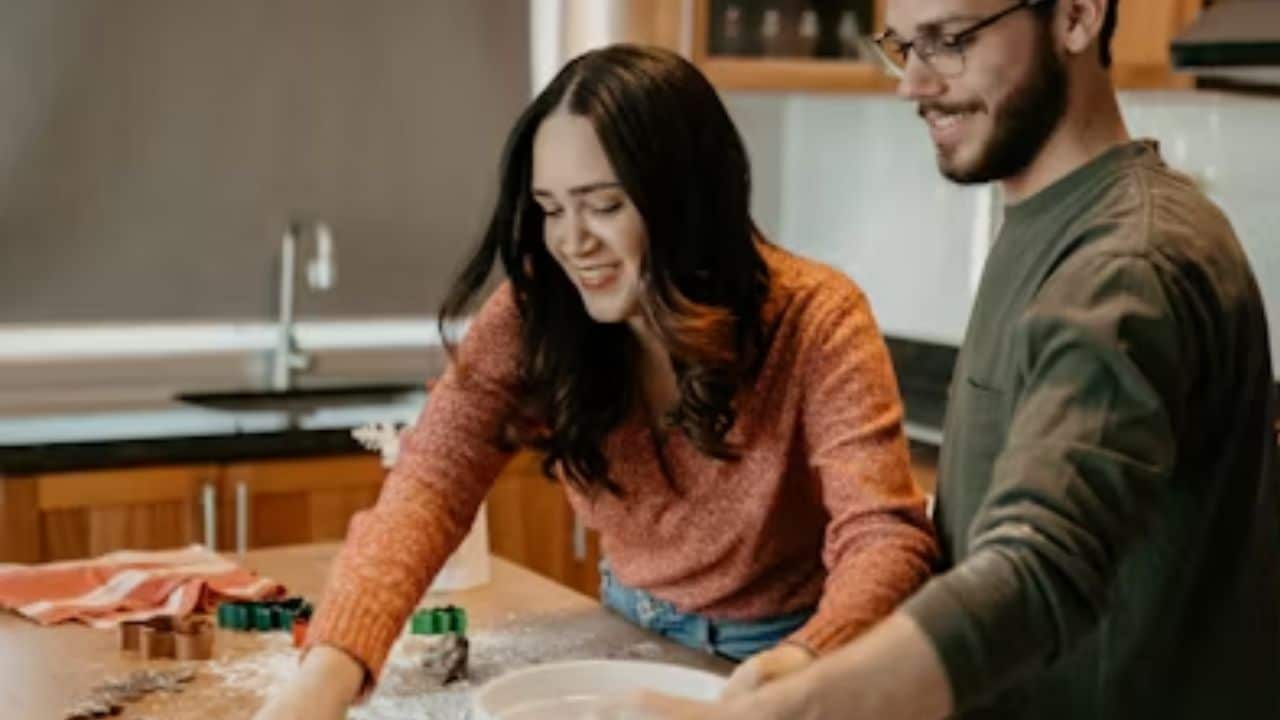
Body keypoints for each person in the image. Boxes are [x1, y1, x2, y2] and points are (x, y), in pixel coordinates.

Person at [621, 0, 1280, 718]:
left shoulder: (1128, 263)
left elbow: (1040, 565)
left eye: (949, 40)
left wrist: (810, 703)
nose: (913, 83)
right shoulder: (1053, 218)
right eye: (904, 45)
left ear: (1077, 17)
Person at [252, 44, 938, 719]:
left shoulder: (816, 318)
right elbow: (429, 485)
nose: (571, 241)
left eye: (602, 206)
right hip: (623, 633)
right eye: (552, 209)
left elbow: (883, 534)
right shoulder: (536, 313)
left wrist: (810, 659)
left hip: (784, 653)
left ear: (686, 201)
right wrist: (327, 672)